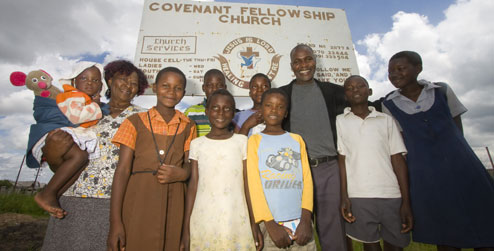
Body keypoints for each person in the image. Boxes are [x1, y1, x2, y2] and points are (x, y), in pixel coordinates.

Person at [382, 51, 494, 251]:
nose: (394, 75)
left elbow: (456, 128)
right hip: (426, 175)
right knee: (445, 234)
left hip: (464, 168)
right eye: (391, 71)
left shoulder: (441, 91)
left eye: (401, 69)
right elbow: (399, 141)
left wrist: (454, 154)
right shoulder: (389, 104)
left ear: (418, 68)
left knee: (484, 226)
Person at [41, 60, 149, 251]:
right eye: (123, 79)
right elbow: (58, 163)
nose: (128, 86)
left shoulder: (144, 118)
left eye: (134, 83)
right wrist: (52, 151)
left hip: (118, 203)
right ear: (109, 81)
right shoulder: (85, 112)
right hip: (72, 199)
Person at [108, 66, 196, 251]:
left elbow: (191, 166)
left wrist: (182, 173)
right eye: (165, 86)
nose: (171, 92)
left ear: (184, 93)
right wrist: (115, 221)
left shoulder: (189, 125)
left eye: (177, 88)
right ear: (155, 88)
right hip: (139, 198)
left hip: (175, 201)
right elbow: (122, 170)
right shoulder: (134, 121)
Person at [279, 44, 347, 250]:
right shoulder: (282, 94)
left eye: (307, 59)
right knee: (297, 232)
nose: (303, 65)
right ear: (291, 66)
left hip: (328, 169)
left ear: (315, 61)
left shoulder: (333, 91)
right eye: (297, 61)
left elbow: (363, 105)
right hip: (295, 172)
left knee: (333, 231)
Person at [337, 75, 412, 251]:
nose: (355, 90)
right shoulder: (340, 121)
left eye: (360, 86)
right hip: (358, 195)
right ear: (345, 95)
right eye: (350, 87)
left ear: (369, 91)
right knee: (369, 244)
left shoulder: (386, 120)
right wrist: (344, 196)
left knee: (395, 244)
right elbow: (342, 160)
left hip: (391, 194)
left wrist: (406, 201)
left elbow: (398, 159)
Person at [181, 89, 261, 250]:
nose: (221, 113)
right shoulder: (197, 144)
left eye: (227, 108)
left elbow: (248, 185)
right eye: (215, 108)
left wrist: (254, 223)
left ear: (233, 113)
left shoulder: (242, 142)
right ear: (207, 111)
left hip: (237, 219)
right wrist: (185, 230)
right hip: (203, 220)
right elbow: (193, 187)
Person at [30, 61, 106, 218]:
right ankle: (48, 193)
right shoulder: (72, 96)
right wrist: (96, 105)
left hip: (71, 137)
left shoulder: (85, 99)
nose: (90, 83)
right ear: (73, 81)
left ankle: (53, 193)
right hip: (58, 135)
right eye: (84, 78)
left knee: (81, 159)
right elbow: (77, 117)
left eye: (95, 80)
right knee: (78, 157)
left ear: (101, 85)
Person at [247, 88, 316, 250]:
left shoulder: (297, 140)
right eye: (269, 105)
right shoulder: (254, 142)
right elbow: (253, 185)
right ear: (261, 109)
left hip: (301, 223)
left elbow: (307, 179)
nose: (274, 110)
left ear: (286, 113)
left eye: (280, 106)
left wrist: (306, 219)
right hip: (270, 225)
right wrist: (269, 223)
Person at [184, 69, 226, 136]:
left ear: (225, 88)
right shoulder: (191, 112)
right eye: (210, 86)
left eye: (219, 86)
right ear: (203, 88)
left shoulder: (231, 113)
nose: (214, 89)